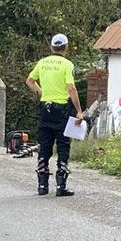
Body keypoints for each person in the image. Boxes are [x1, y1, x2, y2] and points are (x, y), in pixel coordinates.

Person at [26, 34, 84, 196]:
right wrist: (79, 110)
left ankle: (42, 186)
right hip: (61, 109)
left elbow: (29, 81)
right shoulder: (67, 64)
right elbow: (71, 88)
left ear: (51, 48)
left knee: (45, 144)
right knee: (63, 144)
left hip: (45, 108)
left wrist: (42, 93)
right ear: (66, 48)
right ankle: (61, 187)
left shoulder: (42, 62)